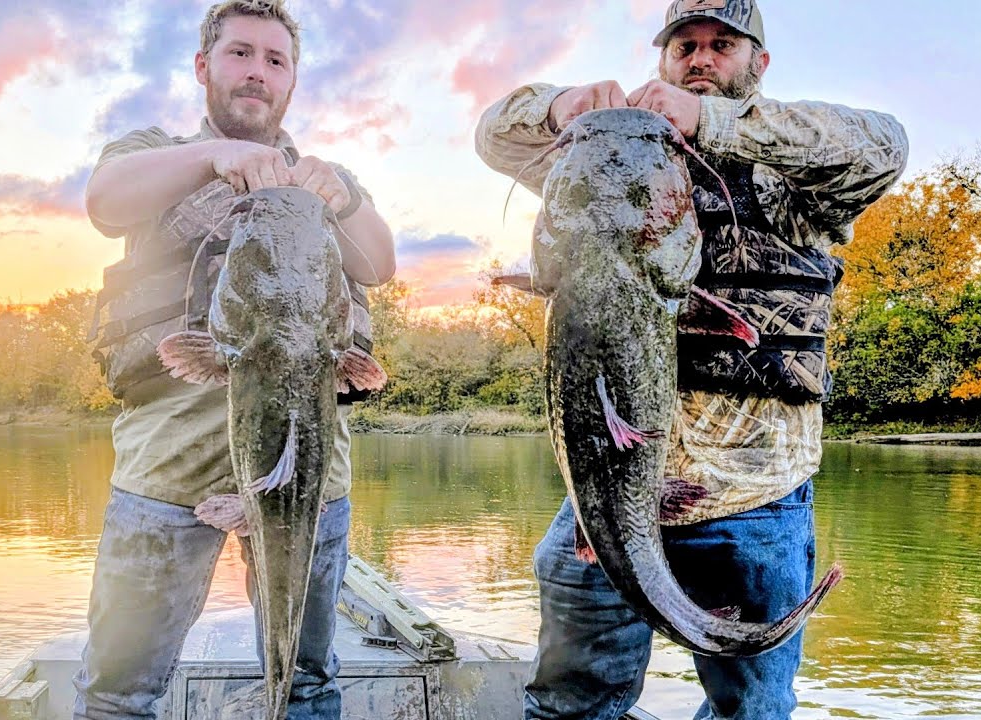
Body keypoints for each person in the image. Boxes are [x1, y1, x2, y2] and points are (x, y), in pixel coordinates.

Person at [475, 1, 907, 718]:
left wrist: (710, 124)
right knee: (569, 703)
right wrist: (562, 109)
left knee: (752, 712)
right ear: (663, 58)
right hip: (605, 498)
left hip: (754, 503)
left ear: (757, 64)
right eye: (685, 46)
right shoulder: (600, 152)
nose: (700, 58)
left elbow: (885, 144)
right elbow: (492, 133)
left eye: (722, 45)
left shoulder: (794, 175)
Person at [74, 1, 395, 718]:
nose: (257, 72)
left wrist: (340, 200)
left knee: (308, 680)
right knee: (118, 690)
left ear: (292, 81)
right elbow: (104, 202)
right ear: (203, 67)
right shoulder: (151, 150)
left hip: (309, 457)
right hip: (169, 463)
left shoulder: (324, 176)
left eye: (275, 60)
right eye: (240, 53)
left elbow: (378, 263)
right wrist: (215, 157)